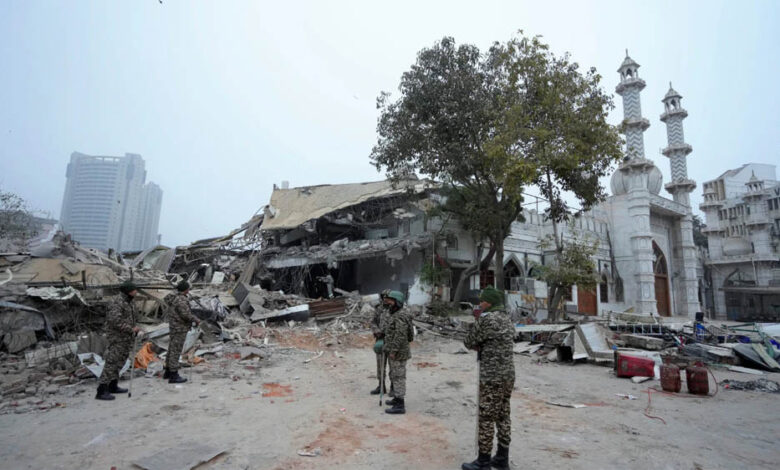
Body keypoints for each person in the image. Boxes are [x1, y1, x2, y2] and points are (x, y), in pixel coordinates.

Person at [461, 286, 515, 470]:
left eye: (482, 300)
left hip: (491, 377)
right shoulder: (507, 318)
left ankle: (483, 461)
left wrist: (478, 344)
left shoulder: (487, 319)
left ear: (490, 302)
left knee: (486, 418)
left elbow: (469, 341)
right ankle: (502, 458)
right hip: (508, 375)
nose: (480, 303)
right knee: (503, 415)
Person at [96, 280, 140, 401]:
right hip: (117, 337)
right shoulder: (116, 302)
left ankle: (113, 385)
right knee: (112, 362)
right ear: (128, 291)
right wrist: (131, 329)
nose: (136, 292)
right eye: (134, 290)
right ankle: (101, 389)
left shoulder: (130, 302)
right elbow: (114, 321)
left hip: (126, 337)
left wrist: (134, 328)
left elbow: (132, 317)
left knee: (120, 361)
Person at [382, 290, 413, 415]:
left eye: (390, 300)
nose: (388, 302)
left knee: (399, 377)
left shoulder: (401, 315)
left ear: (397, 302)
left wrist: (393, 351)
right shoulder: (396, 313)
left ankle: (400, 405)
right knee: (395, 375)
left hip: (398, 352)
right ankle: (396, 398)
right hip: (395, 350)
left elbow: (400, 335)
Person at [163, 280, 200, 384]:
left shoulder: (173, 297)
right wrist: (196, 319)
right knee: (176, 350)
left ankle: (168, 371)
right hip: (180, 328)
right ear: (186, 289)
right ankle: (173, 375)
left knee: (171, 349)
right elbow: (186, 315)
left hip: (174, 327)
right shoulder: (181, 300)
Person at [370, 290, 392, 396]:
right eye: (384, 297)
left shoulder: (395, 309)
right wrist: (376, 331)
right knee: (380, 365)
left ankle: (394, 387)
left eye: (387, 297)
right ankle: (381, 386)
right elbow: (373, 322)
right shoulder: (379, 309)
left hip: (392, 341)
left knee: (393, 366)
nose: (385, 299)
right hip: (380, 340)